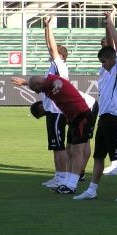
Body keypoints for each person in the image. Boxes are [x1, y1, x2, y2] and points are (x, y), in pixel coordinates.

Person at [73, 11, 117, 202]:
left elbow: (116, 45)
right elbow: (109, 45)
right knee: (99, 155)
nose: (102, 64)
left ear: (112, 60)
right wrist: (105, 24)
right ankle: (92, 190)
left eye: (104, 61)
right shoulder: (106, 70)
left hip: (116, 118)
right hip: (104, 117)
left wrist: (110, 21)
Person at [12, 74, 93, 194]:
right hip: (73, 117)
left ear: (40, 84)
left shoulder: (52, 82)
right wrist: (25, 83)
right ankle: (67, 182)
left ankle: (71, 185)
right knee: (70, 150)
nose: (37, 93)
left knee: (77, 151)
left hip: (81, 115)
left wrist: (57, 86)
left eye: (36, 90)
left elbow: (58, 82)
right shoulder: (45, 84)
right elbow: (40, 82)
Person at [30, 93, 98, 185]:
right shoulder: (51, 102)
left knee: (84, 140)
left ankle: (80, 172)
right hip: (77, 112)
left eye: (43, 114)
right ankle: (74, 173)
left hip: (89, 106)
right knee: (73, 144)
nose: (46, 115)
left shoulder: (54, 103)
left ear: (41, 107)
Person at [38, 16, 70, 188]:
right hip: (51, 110)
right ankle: (58, 176)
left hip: (58, 111)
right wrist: (45, 27)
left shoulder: (60, 66)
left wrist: (50, 27)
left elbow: (51, 46)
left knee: (59, 145)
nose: (51, 52)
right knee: (55, 145)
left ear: (61, 56)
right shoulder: (53, 66)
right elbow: (48, 46)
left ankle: (63, 177)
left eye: (55, 52)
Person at [100, 35, 117, 177]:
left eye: (105, 44)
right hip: (104, 113)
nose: (103, 46)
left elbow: (114, 44)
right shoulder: (103, 68)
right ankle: (115, 164)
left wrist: (108, 22)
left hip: (115, 113)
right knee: (103, 149)